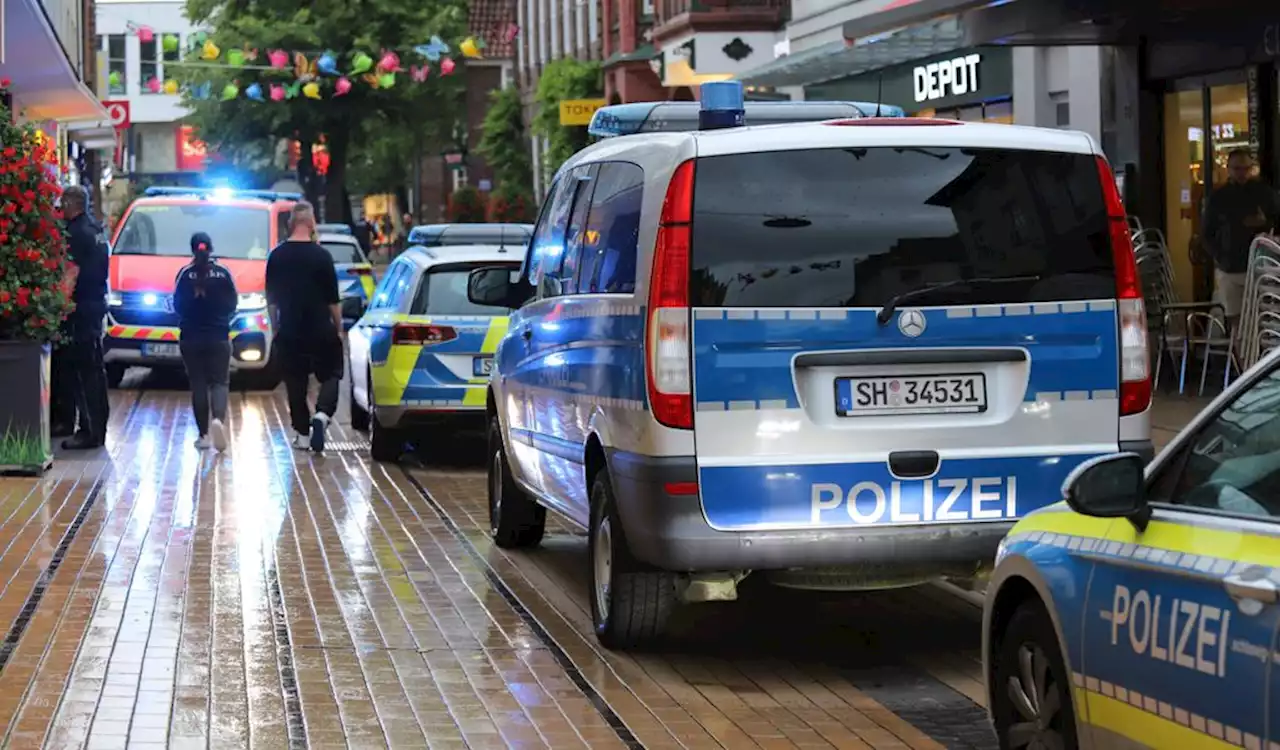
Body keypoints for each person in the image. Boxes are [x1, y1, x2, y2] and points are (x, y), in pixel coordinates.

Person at [265, 201, 344, 452]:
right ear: (311, 223)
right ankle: (322, 414)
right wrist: (339, 328)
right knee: (332, 373)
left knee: (295, 381)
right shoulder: (322, 256)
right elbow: (333, 299)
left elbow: (272, 301)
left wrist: (276, 327)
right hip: (320, 328)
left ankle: (302, 433)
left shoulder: (276, 256)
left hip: (290, 330)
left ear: (291, 224)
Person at [1202, 148, 1280, 328]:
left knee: (1263, 320)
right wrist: (1220, 257)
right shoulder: (1218, 198)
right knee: (1235, 321)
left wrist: (1264, 223)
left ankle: (1258, 355)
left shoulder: (1265, 193)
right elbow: (1207, 233)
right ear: (1229, 169)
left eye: (1245, 168)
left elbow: (1276, 221)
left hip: (1261, 267)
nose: (1242, 173)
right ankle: (1240, 356)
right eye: (1237, 169)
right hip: (1229, 268)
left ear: (1251, 168)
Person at [173, 232, 237, 452]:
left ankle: (203, 435)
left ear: (192, 249)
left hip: (191, 338)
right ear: (211, 248)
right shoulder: (223, 273)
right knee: (220, 381)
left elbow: (177, 306)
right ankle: (218, 420)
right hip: (218, 337)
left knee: (198, 383)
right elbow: (232, 304)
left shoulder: (184, 274)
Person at [59, 185, 111, 450]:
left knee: (84, 373)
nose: (60, 208)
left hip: (80, 309)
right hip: (96, 305)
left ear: (72, 204)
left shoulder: (76, 233)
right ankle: (97, 426)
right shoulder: (97, 230)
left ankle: (89, 430)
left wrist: (58, 306)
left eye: (63, 203)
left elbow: (71, 273)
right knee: (95, 370)